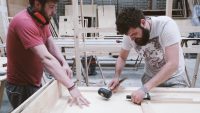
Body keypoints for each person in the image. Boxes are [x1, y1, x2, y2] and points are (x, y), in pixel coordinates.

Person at [6, 0, 89, 109]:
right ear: (37, 4)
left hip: (34, 81)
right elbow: (46, 58)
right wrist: (72, 87)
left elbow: (50, 44)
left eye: (55, 7)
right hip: (21, 87)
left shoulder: (42, 19)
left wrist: (63, 63)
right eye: (51, 7)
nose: (54, 11)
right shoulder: (24, 22)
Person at [108, 7, 188, 104]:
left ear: (143, 22)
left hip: (174, 78)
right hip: (149, 78)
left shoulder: (166, 25)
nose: (132, 39)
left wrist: (144, 89)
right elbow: (122, 57)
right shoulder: (130, 34)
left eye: (134, 34)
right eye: (129, 35)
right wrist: (116, 77)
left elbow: (173, 64)